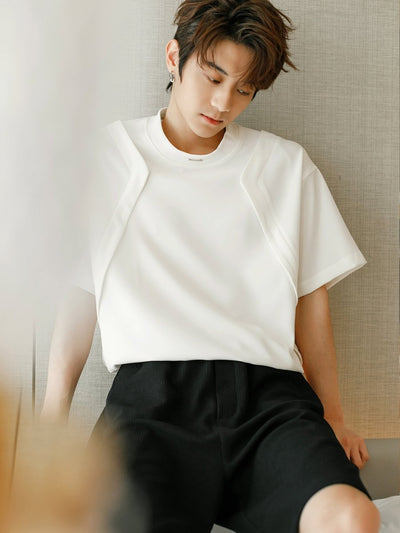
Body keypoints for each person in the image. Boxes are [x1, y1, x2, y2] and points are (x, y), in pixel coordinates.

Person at [42, 1, 381, 532]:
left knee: (352, 518)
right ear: (174, 57)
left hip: (270, 404)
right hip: (151, 406)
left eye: (244, 89)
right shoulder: (108, 157)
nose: (224, 103)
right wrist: (51, 425)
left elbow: (311, 304)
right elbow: (79, 300)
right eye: (213, 77)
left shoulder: (284, 166)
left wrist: (333, 418)